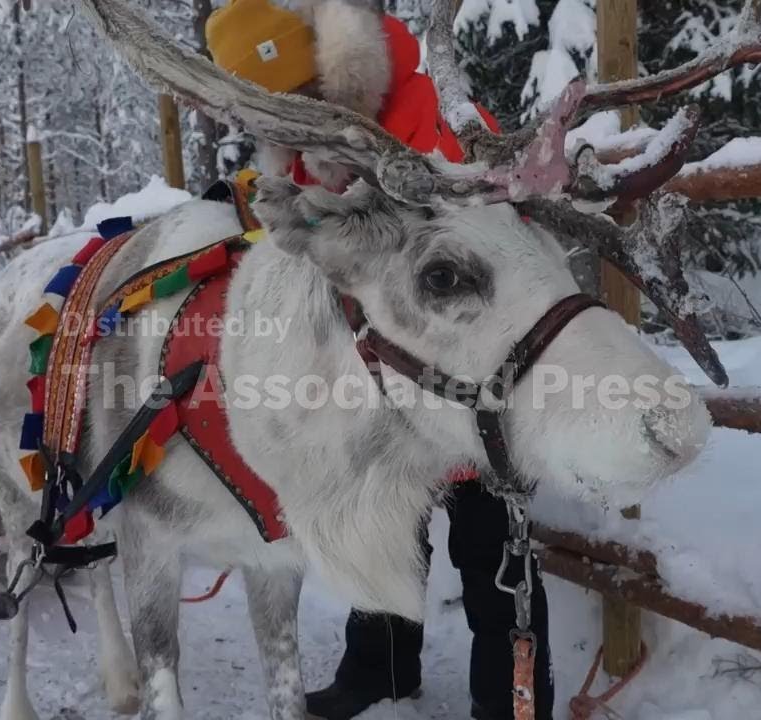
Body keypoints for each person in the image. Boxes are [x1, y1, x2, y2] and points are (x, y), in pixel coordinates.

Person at [206, 3, 554, 718]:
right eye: (271, 116)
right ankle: (381, 669)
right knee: (381, 525)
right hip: (377, 379)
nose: (287, 123)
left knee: (492, 550)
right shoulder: (310, 146)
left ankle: (511, 703)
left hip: (471, 370)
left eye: (297, 103)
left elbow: (489, 247)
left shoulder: (434, 121)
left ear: (323, 77)